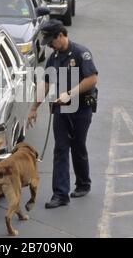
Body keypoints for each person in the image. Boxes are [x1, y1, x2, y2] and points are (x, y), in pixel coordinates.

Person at [28, 20, 99, 209]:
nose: (50, 45)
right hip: (60, 109)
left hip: (81, 108)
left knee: (77, 145)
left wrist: (70, 93)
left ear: (61, 35)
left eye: (52, 40)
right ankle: (60, 194)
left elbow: (92, 78)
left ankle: (83, 183)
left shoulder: (80, 53)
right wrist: (34, 107)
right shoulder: (54, 57)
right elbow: (46, 83)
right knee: (60, 149)